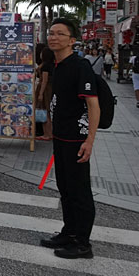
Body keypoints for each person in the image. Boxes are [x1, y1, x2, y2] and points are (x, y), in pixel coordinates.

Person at [39, 18, 100, 259]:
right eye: (51, 33)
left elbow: (93, 105)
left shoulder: (79, 66)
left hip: (77, 138)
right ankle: (69, 232)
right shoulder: (57, 65)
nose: (53, 37)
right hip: (61, 137)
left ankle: (83, 243)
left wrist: (90, 140)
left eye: (60, 34)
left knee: (79, 191)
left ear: (72, 40)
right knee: (65, 187)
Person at [36, 46, 55, 141]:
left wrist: (40, 93)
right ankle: (49, 133)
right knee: (47, 111)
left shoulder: (45, 66)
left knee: (44, 111)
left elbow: (44, 80)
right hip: (49, 88)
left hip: (45, 89)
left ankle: (47, 134)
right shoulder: (51, 64)